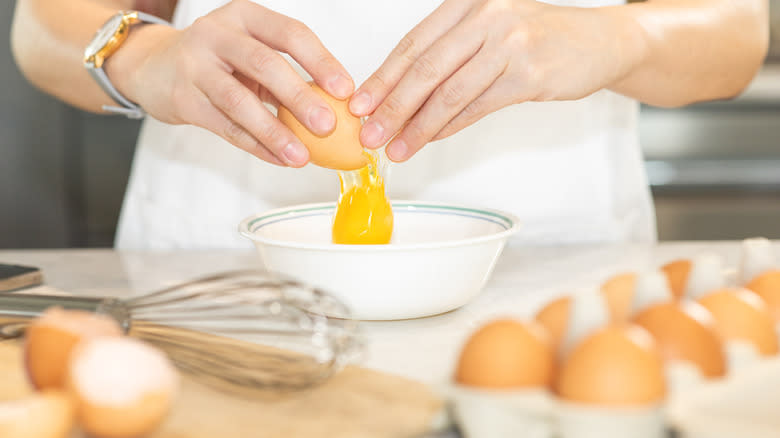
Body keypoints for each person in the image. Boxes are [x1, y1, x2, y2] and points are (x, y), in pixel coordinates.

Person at [11, 0, 768, 249]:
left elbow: (738, 29)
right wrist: (146, 56)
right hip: (220, 287)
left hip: (551, 277)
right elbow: (42, 26)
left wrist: (618, 38)